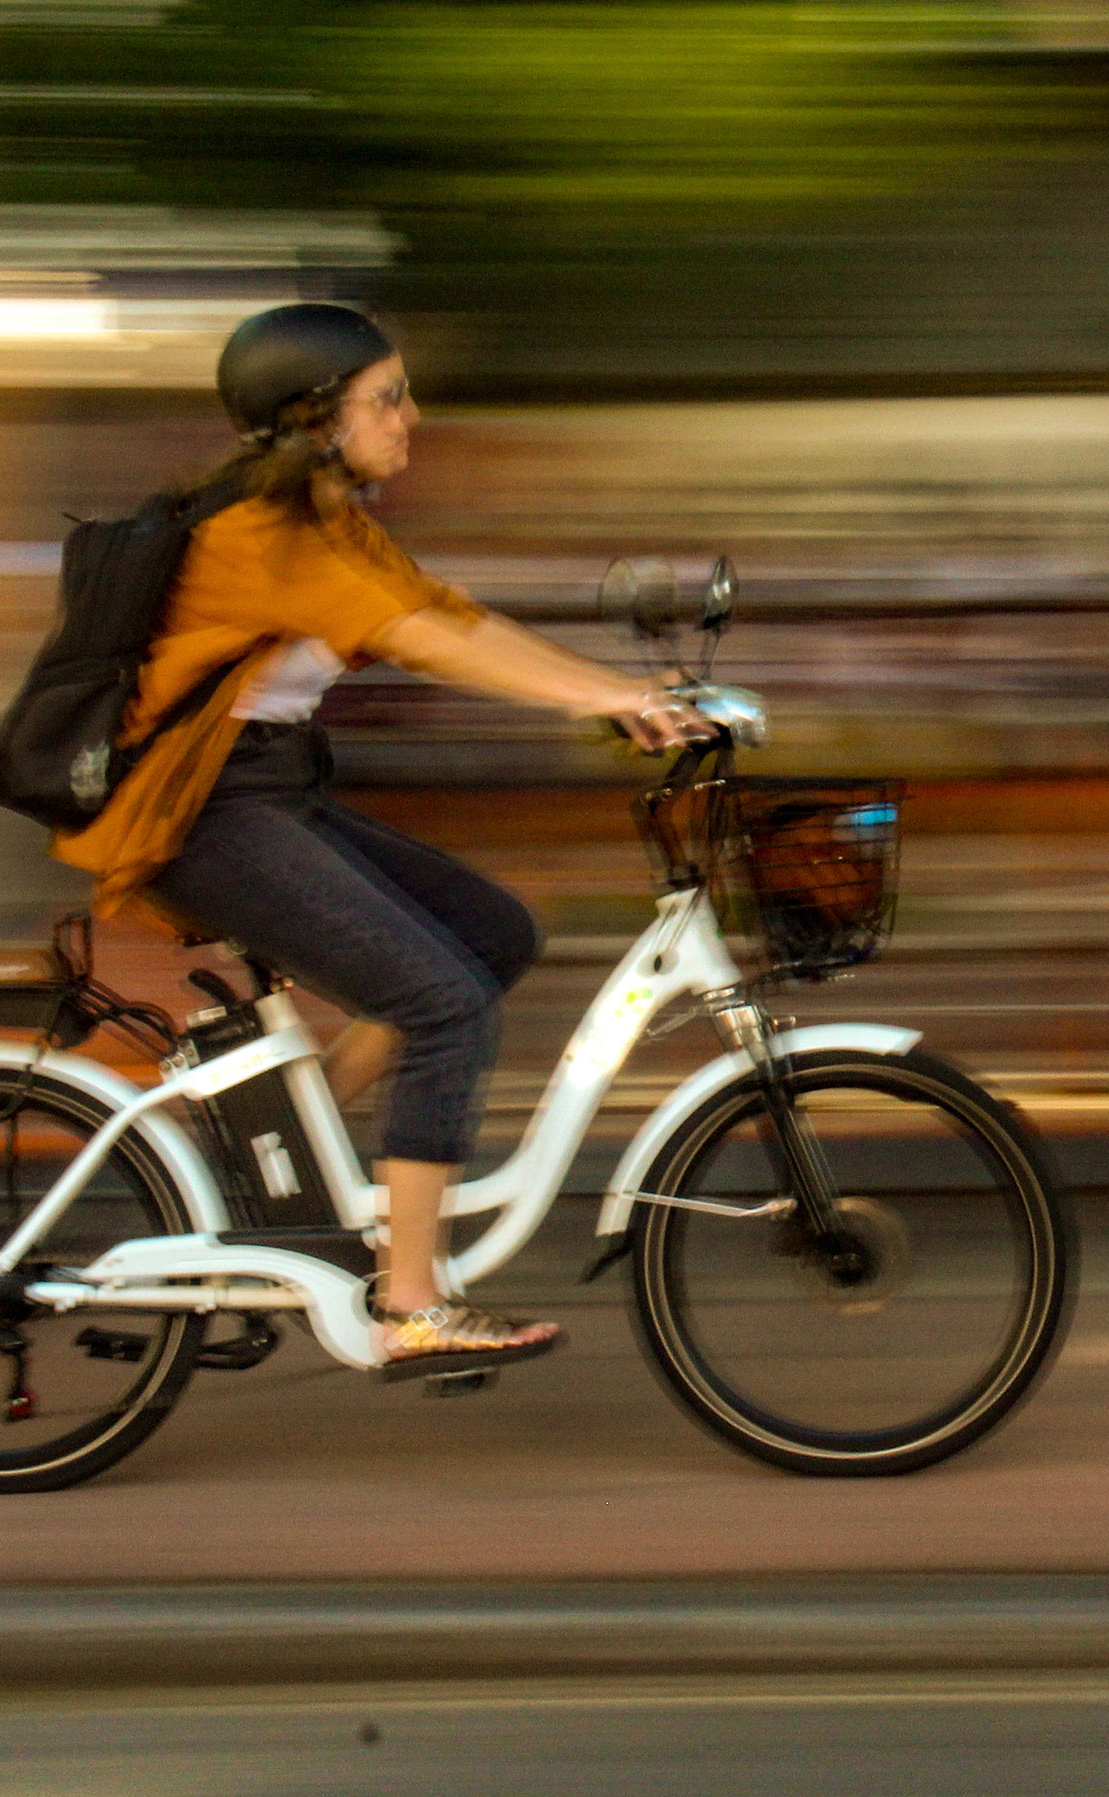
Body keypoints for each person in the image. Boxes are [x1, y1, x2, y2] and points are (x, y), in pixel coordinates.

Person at [52, 302, 706, 1368]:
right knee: (441, 1000)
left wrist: (626, 691)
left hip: (263, 791)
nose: (413, 416)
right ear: (316, 417)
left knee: (489, 938)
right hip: (198, 813)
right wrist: (603, 699)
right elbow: (419, 643)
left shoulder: (326, 519)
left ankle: (273, 1162)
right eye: (387, 397)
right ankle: (409, 1302)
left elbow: (447, 614)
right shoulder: (260, 534)